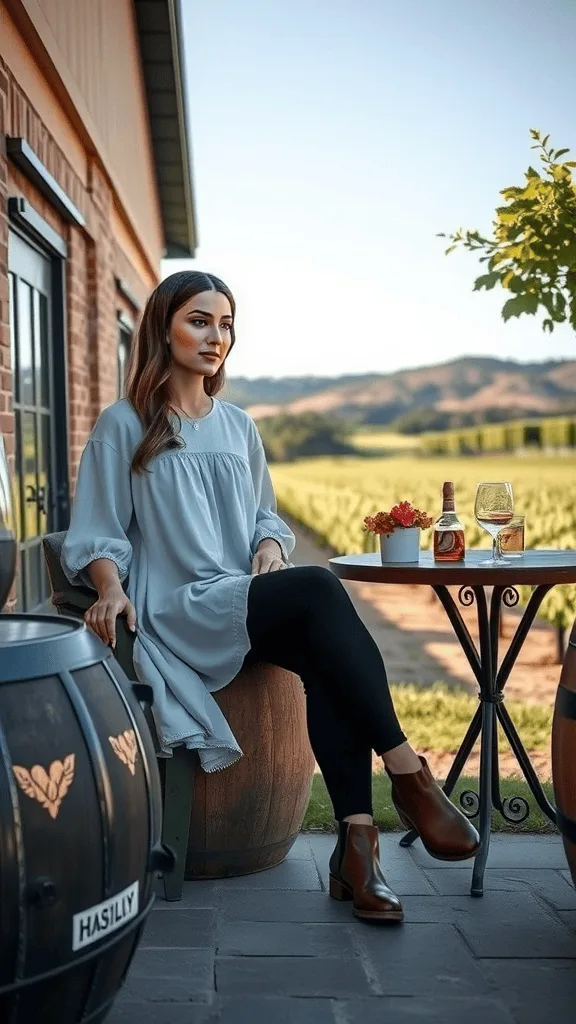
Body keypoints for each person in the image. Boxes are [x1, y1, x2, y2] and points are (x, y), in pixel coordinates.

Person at [61, 271, 479, 925]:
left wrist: (271, 550)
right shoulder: (125, 424)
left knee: (322, 654)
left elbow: (265, 519)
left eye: (226, 324)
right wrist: (110, 589)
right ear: (162, 326)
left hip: (239, 593)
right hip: (177, 607)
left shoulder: (239, 426)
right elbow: (98, 530)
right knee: (318, 587)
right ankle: (408, 773)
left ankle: (357, 848)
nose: (216, 337)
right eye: (200, 320)